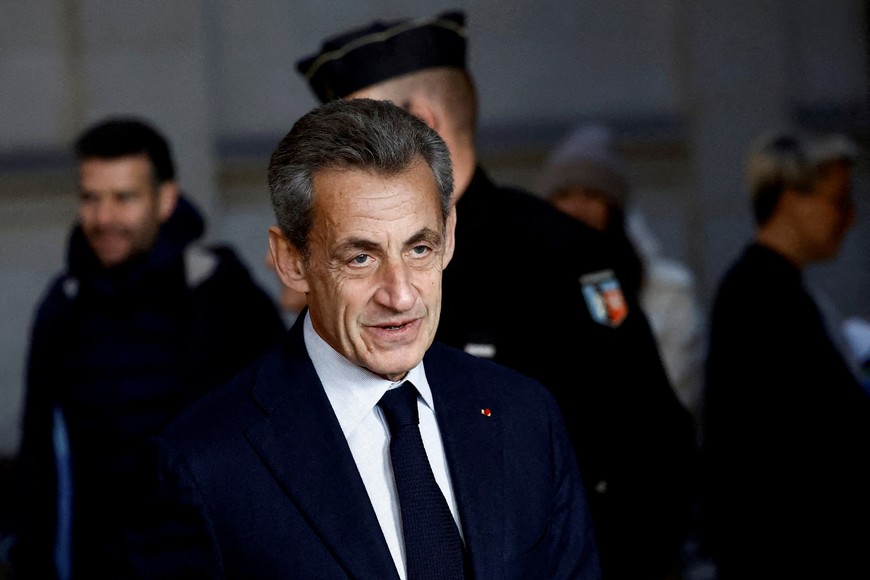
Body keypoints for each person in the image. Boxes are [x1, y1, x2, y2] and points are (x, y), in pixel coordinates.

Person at [125, 97, 601, 579]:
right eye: (360, 258)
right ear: (292, 261)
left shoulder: (525, 417)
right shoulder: (202, 465)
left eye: (419, 248)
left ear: (449, 238)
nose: (399, 295)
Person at [296, 11, 697, 580]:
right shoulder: (342, 264)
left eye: (353, 139)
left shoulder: (558, 255)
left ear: (423, 122)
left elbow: (651, 451)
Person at [9, 116, 287, 579]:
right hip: (104, 564)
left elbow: (284, 423)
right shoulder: (63, 306)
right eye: (91, 198)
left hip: (212, 563)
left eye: (124, 198)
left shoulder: (220, 291)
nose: (104, 218)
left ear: (165, 199)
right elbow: (37, 456)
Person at [699, 130, 870, 579]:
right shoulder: (760, 296)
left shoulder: (776, 290)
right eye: (840, 201)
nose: (850, 219)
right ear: (792, 198)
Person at [537, 123, 707, 436]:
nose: (576, 207)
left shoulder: (609, 281)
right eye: (564, 194)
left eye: (591, 194)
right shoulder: (531, 275)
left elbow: (629, 367)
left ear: (614, 206)